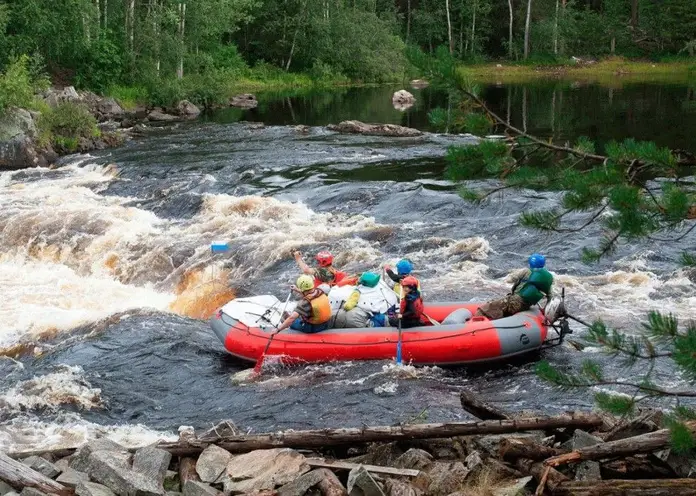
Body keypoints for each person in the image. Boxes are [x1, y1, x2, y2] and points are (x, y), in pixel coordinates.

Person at [475, 253, 553, 320]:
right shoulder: (548, 277)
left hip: (515, 302)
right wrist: (544, 310)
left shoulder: (526, 271)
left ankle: (475, 324)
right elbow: (550, 296)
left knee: (487, 307)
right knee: (503, 305)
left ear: (531, 263)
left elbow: (513, 280)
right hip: (526, 305)